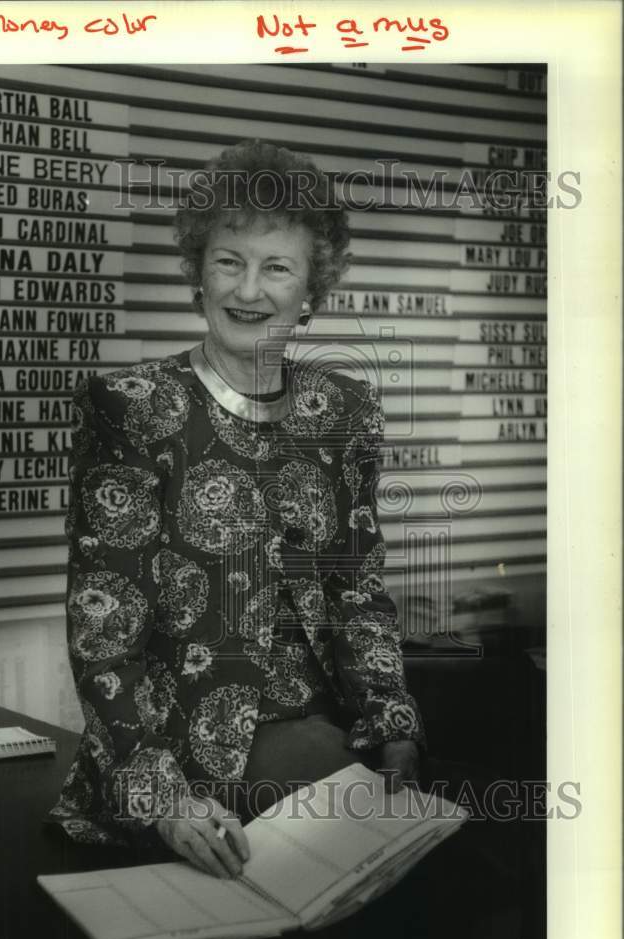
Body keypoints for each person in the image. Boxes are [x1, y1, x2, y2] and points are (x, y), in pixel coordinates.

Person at [49, 139, 425, 882]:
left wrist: (394, 723)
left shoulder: (343, 409)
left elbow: (356, 590)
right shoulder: (133, 409)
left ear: (311, 293)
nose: (248, 289)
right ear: (197, 273)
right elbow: (103, 634)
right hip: (182, 760)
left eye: (276, 267)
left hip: (325, 740)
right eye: (229, 261)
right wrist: (162, 798)